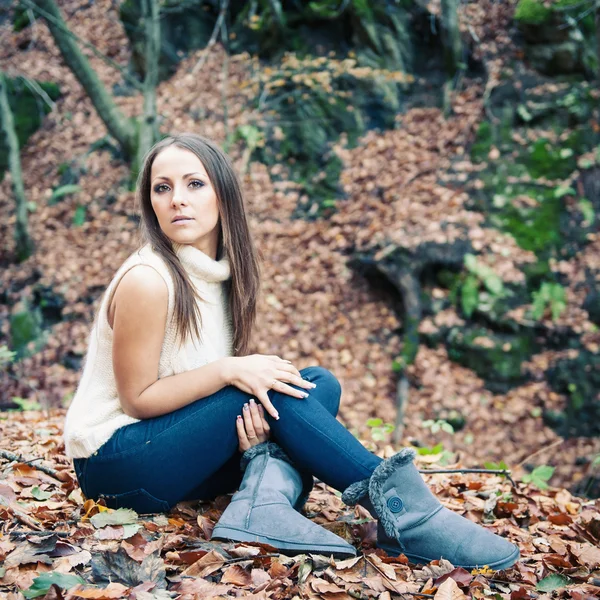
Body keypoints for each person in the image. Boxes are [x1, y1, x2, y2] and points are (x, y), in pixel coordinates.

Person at [63, 133, 520, 568]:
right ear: (151, 204)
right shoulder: (149, 279)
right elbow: (138, 399)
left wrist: (246, 415)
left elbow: (206, 392)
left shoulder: (216, 275)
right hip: (116, 467)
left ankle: (262, 504)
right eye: (162, 188)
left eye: (194, 184)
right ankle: (408, 513)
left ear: (222, 195)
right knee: (273, 386)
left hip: (167, 451)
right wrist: (230, 372)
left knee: (318, 382)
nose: (177, 198)